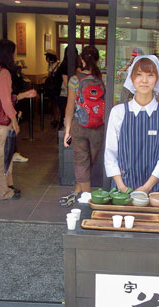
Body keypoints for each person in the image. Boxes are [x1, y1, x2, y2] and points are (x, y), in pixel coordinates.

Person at [104, 55, 159, 194]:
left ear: (157, 78)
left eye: (150, 75)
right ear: (131, 78)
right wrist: (122, 187)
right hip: (121, 189)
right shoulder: (118, 112)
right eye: (138, 75)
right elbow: (110, 154)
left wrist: (146, 188)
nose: (144, 80)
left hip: (153, 189)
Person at [0, 39, 36, 200]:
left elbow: (5, 97)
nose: (15, 55)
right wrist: (14, 121)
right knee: (3, 157)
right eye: (13, 52)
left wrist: (25, 95)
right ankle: (2, 192)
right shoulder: (5, 73)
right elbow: (6, 102)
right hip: (3, 123)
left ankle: (7, 187)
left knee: (6, 156)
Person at [61, 45, 105, 206]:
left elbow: (69, 107)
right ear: (97, 59)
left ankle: (87, 200)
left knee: (81, 162)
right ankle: (78, 192)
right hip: (98, 127)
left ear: (81, 59)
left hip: (79, 126)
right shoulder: (102, 78)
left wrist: (67, 131)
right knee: (88, 163)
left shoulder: (75, 79)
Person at [57, 46, 81, 131]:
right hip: (64, 95)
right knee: (64, 117)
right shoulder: (64, 66)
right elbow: (66, 82)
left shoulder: (77, 65)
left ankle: (66, 139)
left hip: (71, 95)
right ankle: (63, 140)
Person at [44, 49, 60, 128]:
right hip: (52, 87)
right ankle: (55, 119)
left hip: (56, 87)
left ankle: (56, 119)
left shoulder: (58, 64)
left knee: (56, 103)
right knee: (53, 103)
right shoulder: (50, 65)